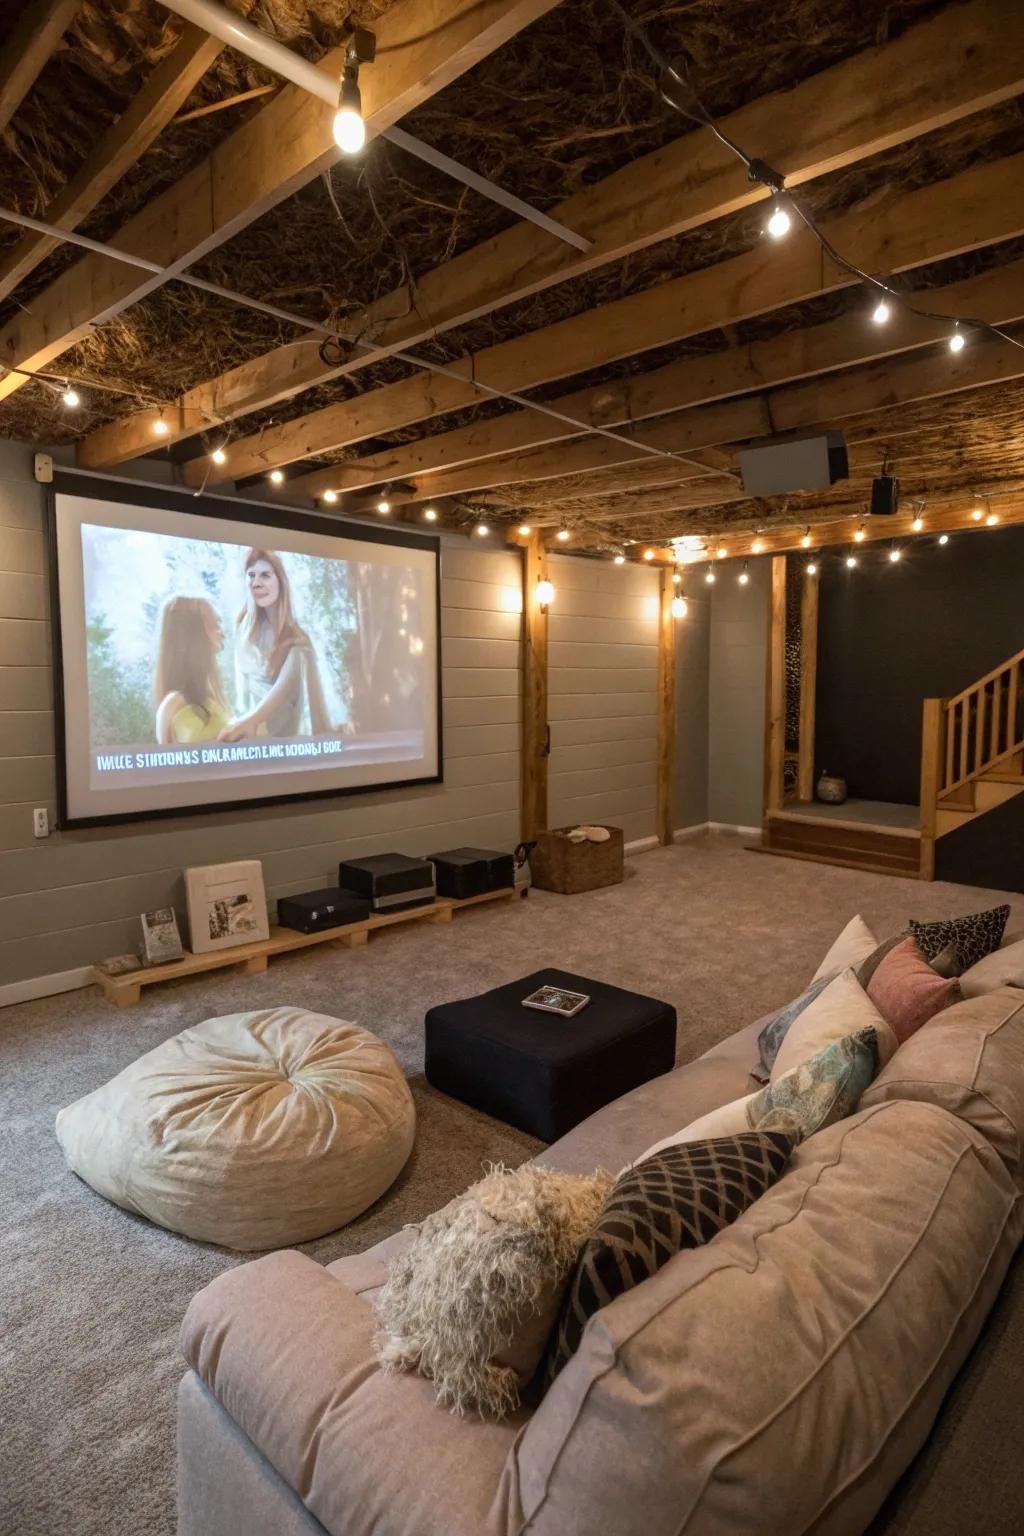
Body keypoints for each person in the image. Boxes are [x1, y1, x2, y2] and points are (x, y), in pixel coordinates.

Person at [220, 548, 331, 741]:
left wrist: (251, 721)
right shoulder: (242, 628)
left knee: (298, 653)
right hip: (249, 743)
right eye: (251, 575)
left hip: (284, 737)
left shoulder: (298, 640)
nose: (256, 583)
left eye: (265, 575)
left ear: (280, 582)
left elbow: (303, 698)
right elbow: (242, 694)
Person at [154, 596, 228, 744]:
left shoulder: (214, 700)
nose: (222, 632)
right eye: (215, 625)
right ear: (193, 633)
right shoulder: (172, 705)